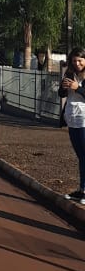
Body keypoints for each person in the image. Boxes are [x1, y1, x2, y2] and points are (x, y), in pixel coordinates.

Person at [59, 46, 85, 204]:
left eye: (80, 60)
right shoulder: (69, 73)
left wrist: (79, 88)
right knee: (81, 156)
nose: (77, 63)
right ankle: (82, 189)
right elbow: (61, 94)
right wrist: (63, 87)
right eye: (74, 60)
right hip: (72, 118)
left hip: (84, 119)